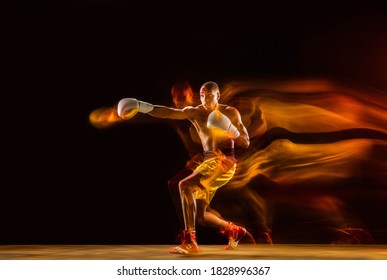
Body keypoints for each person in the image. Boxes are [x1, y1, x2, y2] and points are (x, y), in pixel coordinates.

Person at [117, 81, 253, 254]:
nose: (205, 99)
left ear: (218, 96)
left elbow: (246, 142)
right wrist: (141, 106)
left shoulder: (230, 112)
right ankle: (235, 231)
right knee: (200, 216)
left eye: (210, 95)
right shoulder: (196, 112)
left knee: (184, 186)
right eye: (203, 95)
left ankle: (190, 241)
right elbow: (169, 112)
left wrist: (229, 128)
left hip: (224, 161)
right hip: (208, 161)